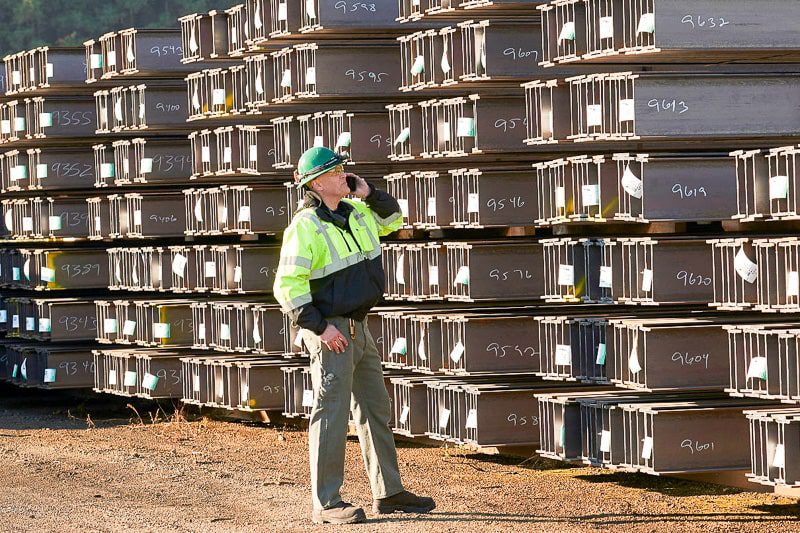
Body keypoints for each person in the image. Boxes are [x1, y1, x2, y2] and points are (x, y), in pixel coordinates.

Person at [273, 146, 435, 525]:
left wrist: (369, 192)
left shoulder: (358, 212)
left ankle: (389, 491)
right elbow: (287, 286)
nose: (343, 174)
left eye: (344, 168)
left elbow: (394, 219)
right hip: (331, 331)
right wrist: (319, 327)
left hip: (359, 327)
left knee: (375, 407)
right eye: (335, 171)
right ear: (314, 183)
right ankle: (327, 503)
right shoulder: (305, 226)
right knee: (330, 414)